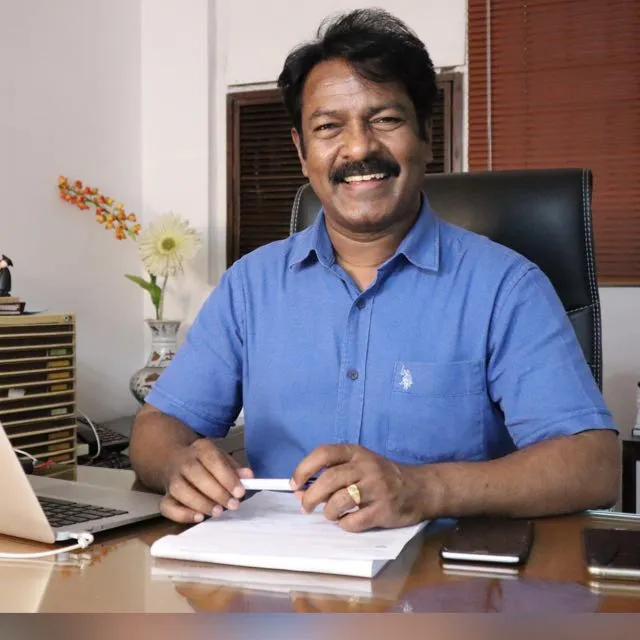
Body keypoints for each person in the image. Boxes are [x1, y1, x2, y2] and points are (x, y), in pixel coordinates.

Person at [129, 8, 619, 532]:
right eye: (328, 127)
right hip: (274, 568)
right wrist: (178, 466)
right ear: (302, 152)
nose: (360, 147)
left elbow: (593, 465)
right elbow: (159, 425)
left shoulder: (506, 287)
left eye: (385, 120)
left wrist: (423, 488)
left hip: (438, 572)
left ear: (425, 134)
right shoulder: (250, 285)